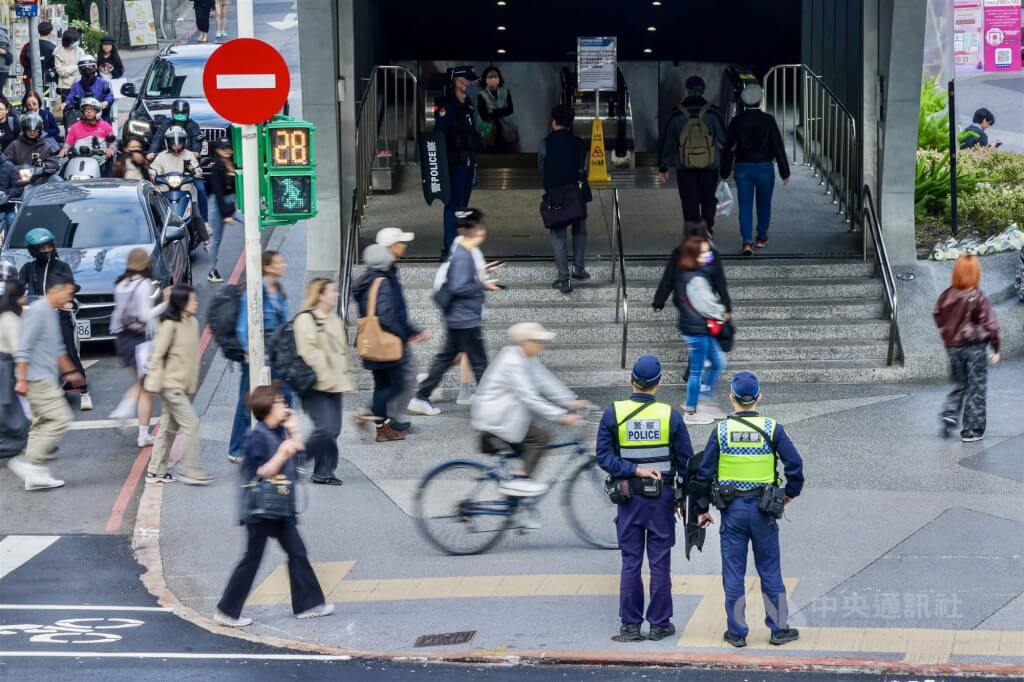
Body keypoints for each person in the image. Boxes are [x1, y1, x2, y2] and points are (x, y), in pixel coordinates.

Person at [693, 371, 804, 648]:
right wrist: (788, 495)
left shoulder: (720, 431)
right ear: (759, 397)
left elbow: (703, 474)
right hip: (764, 511)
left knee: (733, 573)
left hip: (732, 512)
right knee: (770, 571)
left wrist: (702, 508)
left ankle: (737, 632)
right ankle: (779, 629)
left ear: (731, 398)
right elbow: (795, 466)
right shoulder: (771, 428)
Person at [213, 383, 335, 628]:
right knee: (252, 558)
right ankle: (226, 610)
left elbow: (299, 453)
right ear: (268, 408)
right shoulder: (256, 436)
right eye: (280, 402)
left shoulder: (279, 431)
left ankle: (308, 605)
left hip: (279, 508)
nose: (285, 406)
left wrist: (293, 430)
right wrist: (282, 452)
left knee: (297, 552)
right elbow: (260, 471)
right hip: (260, 511)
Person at [596, 355, 693, 642]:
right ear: (658, 383)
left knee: (631, 561)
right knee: (660, 562)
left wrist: (633, 469)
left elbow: (604, 456)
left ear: (631, 381)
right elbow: (686, 462)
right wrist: (685, 497)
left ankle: (630, 625)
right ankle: (660, 624)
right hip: (662, 498)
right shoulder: (670, 415)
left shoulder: (614, 413)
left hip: (628, 499)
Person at [472, 323, 586, 501]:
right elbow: (529, 398)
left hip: (506, 416)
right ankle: (519, 480)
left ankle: (518, 498)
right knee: (540, 438)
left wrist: (570, 400)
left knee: (527, 450)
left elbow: (545, 380)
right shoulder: (513, 362)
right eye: (538, 341)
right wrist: (561, 416)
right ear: (525, 342)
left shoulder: (526, 357)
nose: (542, 346)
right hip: (496, 418)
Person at [409, 213, 497, 417]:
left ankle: (421, 397)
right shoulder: (464, 255)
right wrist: (484, 285)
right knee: (479, 361)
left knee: (446, 359)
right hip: (465, 318)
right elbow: (458, 286)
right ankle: (491, 403)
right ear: (478, 232)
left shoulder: (461, 252)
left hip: (458, 318)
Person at [7, 274, 83, 491]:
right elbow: (23, 349)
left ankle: (33, 476)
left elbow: (58, 349)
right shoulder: (39, 311)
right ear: (55, 290)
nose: (70, 297)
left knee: (41, 424)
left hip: (45, 377)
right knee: (60, 418)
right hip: (36, 378)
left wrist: (71, 372)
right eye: (68, 292)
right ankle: (27, 463)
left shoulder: (50, 312)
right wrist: (21, 380)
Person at [352, 243, 427, 441]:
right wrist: (403, 334)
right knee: (399, 383)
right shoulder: (382, 281)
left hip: (371, 342)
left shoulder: (364, 281)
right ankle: (368, 413)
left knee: (381, 385)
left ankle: (382, 430)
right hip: (386, 343)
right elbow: (385, 316)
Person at [143, 284, 214, 485]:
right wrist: (152, 385)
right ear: (181, 302)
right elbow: (157, 356)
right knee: (192, 424)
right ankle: (191, 470)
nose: (197, 303)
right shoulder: (169, 325)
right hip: (170, 386)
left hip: (182, 386)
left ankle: (155, 471)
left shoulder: (192, 322)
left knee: (167, 429)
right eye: (193, 300)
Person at [17, 228, 92, 411]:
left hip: (60, 315)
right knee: (39, 355)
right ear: (33, 250)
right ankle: (56, 389)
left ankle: (83, 392)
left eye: (48, 246)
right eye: (41, 248)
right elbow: (19, 290)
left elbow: (70, 288)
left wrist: (68, 301)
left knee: (69, 352)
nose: (45, 250)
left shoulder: (62, 267)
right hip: (37, 318)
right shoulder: (28, 268)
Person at [228, 251, 292, 463]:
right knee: (249, 398)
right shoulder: (254, 291)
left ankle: (282, 444)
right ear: (268, 266)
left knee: (286, 396)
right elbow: (242, 326)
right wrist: (253, 354)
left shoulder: (278, 291)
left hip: (278, 353)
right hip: (259, 354)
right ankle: (236, 448)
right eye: (279, 262)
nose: (284, 265)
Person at [933, 255, 1001, 442]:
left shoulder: (947, 294)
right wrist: (995, 348)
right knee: (975, 387)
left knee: (960, 384)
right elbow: (991, 325)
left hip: (953, 348)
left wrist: (948, 334)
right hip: (974, 348)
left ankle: (950, 413)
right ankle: (972, 430)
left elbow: (938, 314)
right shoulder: (977, 296)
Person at [295, 278, 355, 486]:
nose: (336, 294)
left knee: (333, 429)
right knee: (325, 428)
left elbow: (342, 353)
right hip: (315, 385)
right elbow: (309, 352)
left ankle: (324, 471)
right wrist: (326, 378)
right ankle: (297, 459)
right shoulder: (305, 319)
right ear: (319, 295)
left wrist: (345, 379)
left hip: (334, 383)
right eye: (331, 291)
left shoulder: (336, 320)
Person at [720, 84, 791, 255]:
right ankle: (762, 237)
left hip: (743, 168)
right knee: (763, 204)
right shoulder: (768, 120)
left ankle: (747, 242)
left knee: (745, 206)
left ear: (743, 101)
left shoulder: (736, 122)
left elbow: (728, 147)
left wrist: (724, 172)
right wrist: (784, 172)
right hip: (765, 168)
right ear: (760, 100)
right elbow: (778, 147)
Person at [109, 249, 169, 448]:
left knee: (144, 385)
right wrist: (165, 304)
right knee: (146, 386)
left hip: (123, 338)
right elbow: (145, 315)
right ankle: (125, 412)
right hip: (141, 341)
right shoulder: (143, 285)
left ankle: (142, 432)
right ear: (145, 264)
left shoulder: (121, 283)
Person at [372, 228, 427, 431]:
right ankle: (380, 416)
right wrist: (406, 333)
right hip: (391, 336)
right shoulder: (383, 274)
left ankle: (383, 417)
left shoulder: (388, 270)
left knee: (393, 379)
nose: (404, 245)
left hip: (393, 334)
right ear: (390, 247)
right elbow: (387, 313)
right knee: (405, 376)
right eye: (400, 242)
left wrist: (409, 330)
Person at [658, 76, 727, 233]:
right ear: (703, 90)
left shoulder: (676, 114)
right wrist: (726, 166)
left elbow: (668, 142)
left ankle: (693, 233)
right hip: (710, 166)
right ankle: (707, 228)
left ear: (686, 90)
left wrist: (663, 166)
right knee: (709, 200)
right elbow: (725, 141)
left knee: (689, 202)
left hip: (685, 167)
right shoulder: (713, 112)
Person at [675, 236, 728, 425]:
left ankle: (703, 399)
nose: (709, 255)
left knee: (719, 362)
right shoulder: (695, 278)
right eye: (704, 252)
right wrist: (722, 313)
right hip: (697, 329)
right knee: (697, 371)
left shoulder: (690, 272)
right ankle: (691, 411)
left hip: (697, 327)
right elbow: (706, 304)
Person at [539, 104, 590, 294]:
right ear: (571, 123)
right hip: (577, 192)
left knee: (558, 234)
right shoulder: (579, 143)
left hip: (556, 194)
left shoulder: (546, 143)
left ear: (553, 122)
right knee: (580, 229)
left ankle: (563, 278)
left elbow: (542, 166)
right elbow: (584, 169)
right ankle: (579, 269)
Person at [436, 65, 485, 259]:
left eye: (473, 82)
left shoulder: (469, 105)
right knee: (453, 206)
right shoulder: (446, 107)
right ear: (458, 82)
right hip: (454, 164)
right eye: (469, 81)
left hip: (468, 162)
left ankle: (458, 245)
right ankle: (449, 248)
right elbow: (440, 137)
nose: (472, 85)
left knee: (462, 206)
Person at [150, 125, 205, 241]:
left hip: (186, 192)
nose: (176, 144)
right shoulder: (161, 156)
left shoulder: (188, 155)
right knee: (155, 216)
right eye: (173, 141)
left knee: (196, 215)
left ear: (184, 142)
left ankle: (206, 241)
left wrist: (195, 172)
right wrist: (153, 174)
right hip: (165, 193)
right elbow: (154, 168)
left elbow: (195, 168)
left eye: (179, 141)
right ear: (167, 142)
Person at [207, 139, 238, 282]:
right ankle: (212, 270)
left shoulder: (234, 163)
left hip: (233, 202)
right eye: (223, 147)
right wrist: (226, 215)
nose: (226, 150)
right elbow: (218, 192)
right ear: (217, 150)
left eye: (228, 147)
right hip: (219, 205)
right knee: (216, 240)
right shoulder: (216, 166)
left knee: (252, 225)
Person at [476, 65, 518, 153]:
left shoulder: (505, 91)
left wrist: (493, 111)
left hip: (506, 129)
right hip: (488, 130)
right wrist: (501, 111)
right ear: (485, 79)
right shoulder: (481, 94)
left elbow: (510, 109)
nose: (493, 79)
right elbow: (485, 115)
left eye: (495, 76)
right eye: (490, 77)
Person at [65, 57, 114, 121]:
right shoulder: (76, 85)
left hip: (100, 115)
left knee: (107, 126)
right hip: (81, 116)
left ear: (95, 68)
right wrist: (65, 103)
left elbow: (109, 95)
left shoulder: (103, 83)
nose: (87, 70)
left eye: (90, 67)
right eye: (83, 68)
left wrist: (106, 102)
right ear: (79, 70)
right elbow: (71, 97)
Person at [19, 22, 57, 92]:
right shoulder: (54, 48)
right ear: (51, 32)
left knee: (30, 98)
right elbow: (56, 65)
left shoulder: (28, 45)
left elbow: (22, 60)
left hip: (29, 76)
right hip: (48, 78)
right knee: (46, 100)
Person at [53, 29, 86, 101]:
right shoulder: (58, 51)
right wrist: (76, 66)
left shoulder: (80, 51)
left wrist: (68, 68)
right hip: (64, 86)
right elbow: (61, 72)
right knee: (66, 108)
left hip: (79, 83)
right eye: (74, 41)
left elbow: (83, 67)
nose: (76, 43)